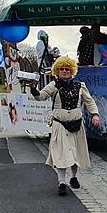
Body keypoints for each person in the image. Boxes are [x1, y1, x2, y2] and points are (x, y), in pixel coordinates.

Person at [28, 56, 100, 196]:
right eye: (62, 69)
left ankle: (73, 177)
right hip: (60, 124)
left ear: (72, 70)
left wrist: (95, 114)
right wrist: (33, 88)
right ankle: (61, 182)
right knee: (61, 153)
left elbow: (89, 101)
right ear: (57, 71)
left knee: (75, 153)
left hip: (77, 125)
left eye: (67, 69)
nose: (65, 71)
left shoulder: (80, 86)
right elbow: (40, 97)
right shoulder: (53, 85)